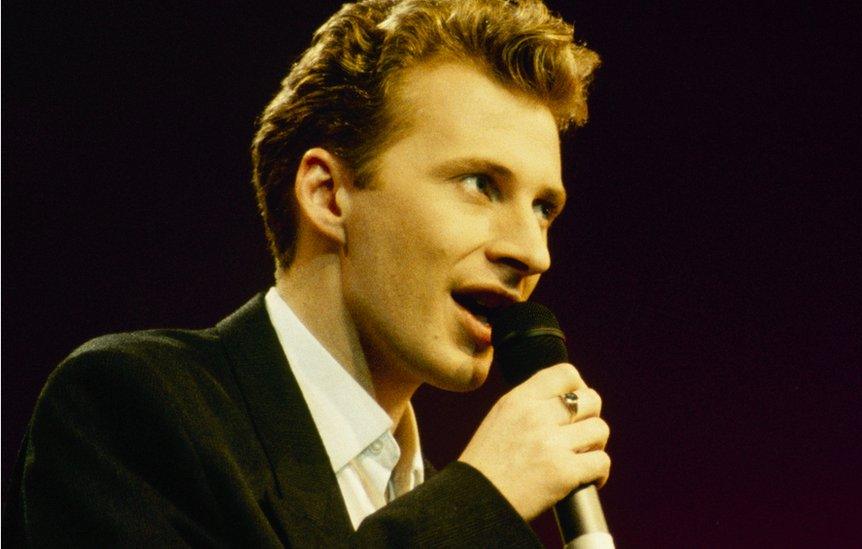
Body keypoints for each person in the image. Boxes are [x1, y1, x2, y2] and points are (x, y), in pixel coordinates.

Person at [4, 0, 609, 545]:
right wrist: (480, 500)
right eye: (481, 184)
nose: (534, 253)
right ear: (328, 195)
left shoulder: (462, 516)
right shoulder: (131, 412)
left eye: (543, 209)